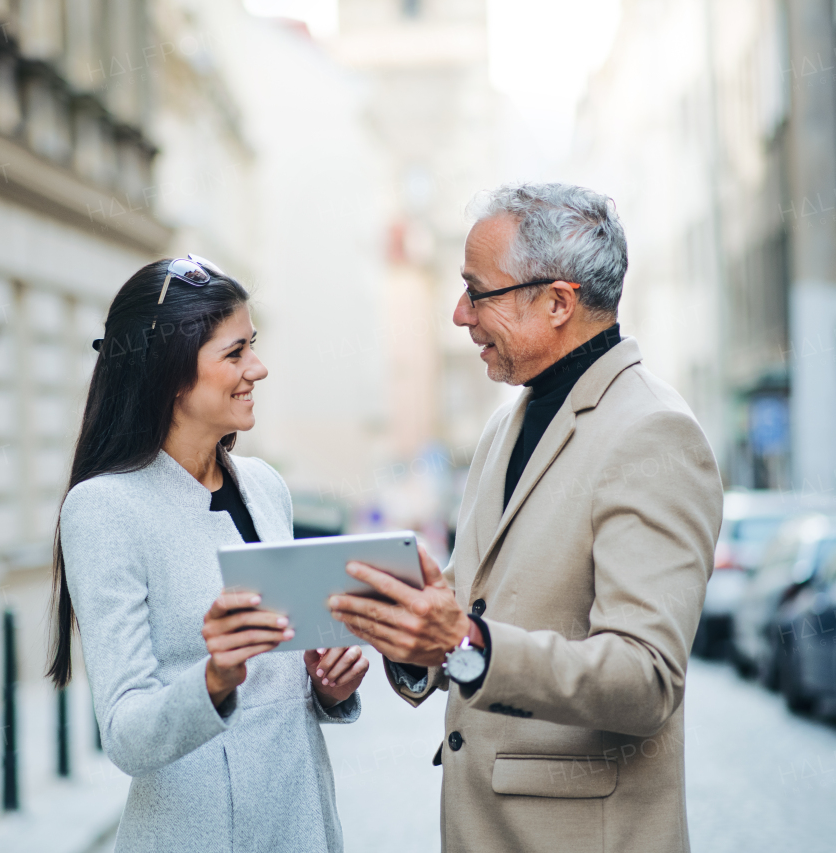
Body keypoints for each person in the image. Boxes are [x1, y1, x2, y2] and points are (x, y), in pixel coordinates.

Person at [329, 183, 724, 853]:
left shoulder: (653, 433)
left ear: (558, 302)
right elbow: (472, 604)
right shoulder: (506, 423)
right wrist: (406, 631)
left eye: (477, 292)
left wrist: (470, 644)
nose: (459, 314)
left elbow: (645, 677)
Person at [48, 256, 368, 853]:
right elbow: (125, 734)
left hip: (303, 826)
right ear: (170, 373)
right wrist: (216, 677)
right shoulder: (103, 509)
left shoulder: (265, 485)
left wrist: (327, 686)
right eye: (235, 351)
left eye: (254, 345)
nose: (259, 368)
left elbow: (283, 678)